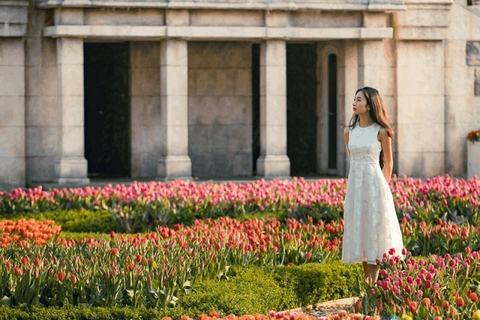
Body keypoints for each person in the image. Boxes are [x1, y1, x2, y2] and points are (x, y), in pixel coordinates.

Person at [341, 86, 404, 285]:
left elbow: (388, 162)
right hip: (356, 187)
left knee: (374, 233)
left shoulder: (382, 132)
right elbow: (354, 159)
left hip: (375, 186)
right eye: (354, 98)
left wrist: (382, 188)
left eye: (359, 99)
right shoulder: (348, 131)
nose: (354, 102)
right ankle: (367, 285)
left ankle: (372, 286)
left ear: (369, 105)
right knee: (361, 230)